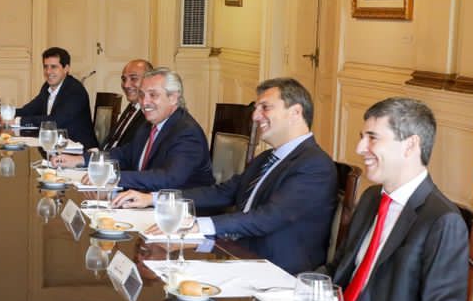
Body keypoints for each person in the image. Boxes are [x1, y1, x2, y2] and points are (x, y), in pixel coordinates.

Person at [116, 77, 337, 273]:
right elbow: (222, 193)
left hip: (274, 269)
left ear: (295, 113)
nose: (255, 116)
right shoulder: (267, 157)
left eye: (265, 108)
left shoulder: (314, 165)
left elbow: (267, 218)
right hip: (234, 252)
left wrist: (198, 225)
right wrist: (153, 199)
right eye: (256, 108)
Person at [325, 96, 466, 301]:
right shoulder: (370, 198)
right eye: (362, 136)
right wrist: (293, 292)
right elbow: (338, 270)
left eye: (372, 137)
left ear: (410, 145)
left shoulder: (442, 221)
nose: (359, 147)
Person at [97, 68, 213, 192]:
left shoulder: (187, 132)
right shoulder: (149, 124)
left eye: (153, 95)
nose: (144, 102)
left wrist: (114, 177)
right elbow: (125, 154)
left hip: (181, 207)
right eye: (141, 95)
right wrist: (84, 160)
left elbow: (169, 178)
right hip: (144, 201)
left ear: (173, 98)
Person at [0, 47, 97, 149]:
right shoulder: (47, 87)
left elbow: (55, 121)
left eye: (53, 67)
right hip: (55, 145)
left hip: (79, 149)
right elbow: (28, 110)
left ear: (66, 68)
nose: (48, 72)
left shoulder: (75, 91)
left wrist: (17, 121)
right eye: (45, 67)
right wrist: (2, 114)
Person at [101, 58, 152, 153]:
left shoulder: (150, 114)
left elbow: (132, 153)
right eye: (124, 79)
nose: (126, 85)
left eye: (133, 78)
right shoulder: (131, 108)